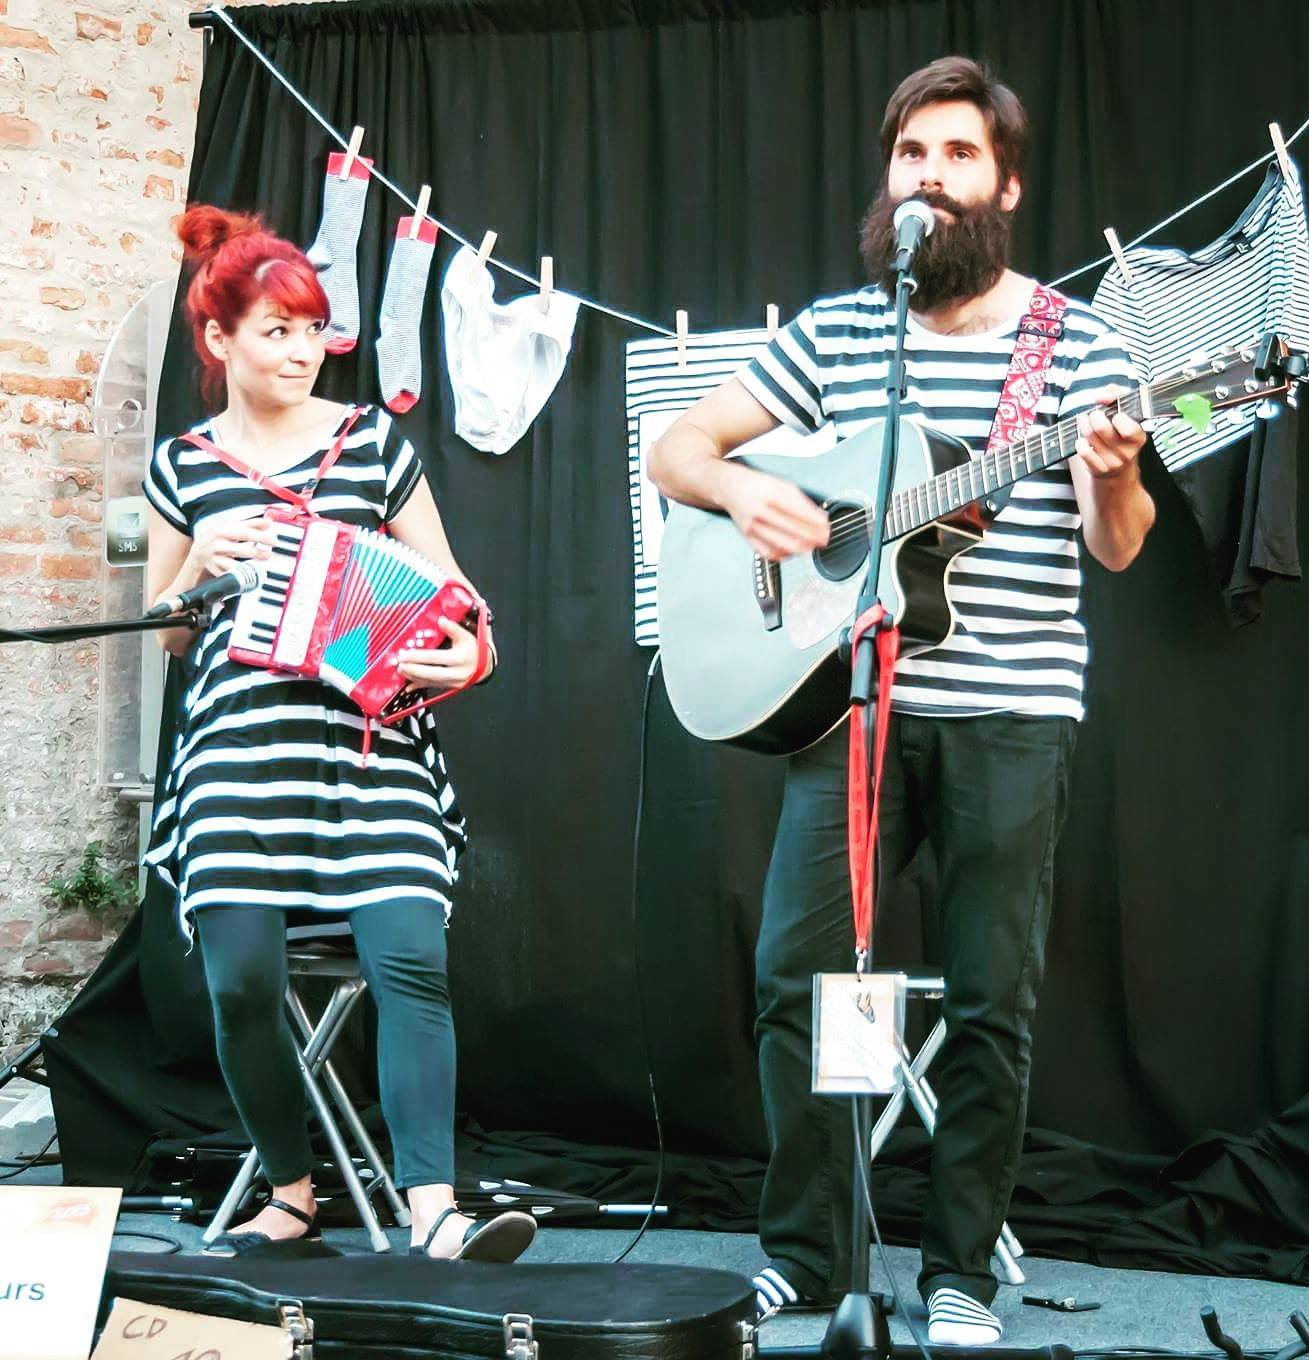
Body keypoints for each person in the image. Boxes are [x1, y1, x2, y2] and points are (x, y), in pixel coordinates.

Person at [647, 56, 1154, 1345]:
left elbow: (1119, 547)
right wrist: (743, 495)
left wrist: (1106, 473)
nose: (928, 174)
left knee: (993, 995)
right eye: (910, 154)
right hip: (851, 708)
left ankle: (960, 1270)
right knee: (798, 982)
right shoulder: (837, 329)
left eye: (957, 155)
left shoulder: (1080, 342)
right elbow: (675, 448)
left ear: (1005, 185)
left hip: (1013, 712)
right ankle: (808, 1258)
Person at [143, 204, 534, 1263]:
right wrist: (197, 570)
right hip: (235, 754)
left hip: (368, 753)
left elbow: (456, 595)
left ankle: (434, 1211)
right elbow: (169, 637)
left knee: (410, 959)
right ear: (218, 341)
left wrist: (469, 654)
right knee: (239, 982)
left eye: (312, 330)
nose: (301, 351)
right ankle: (292, 1187)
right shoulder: (183, 465)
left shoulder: (373, 443)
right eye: (275, 331)